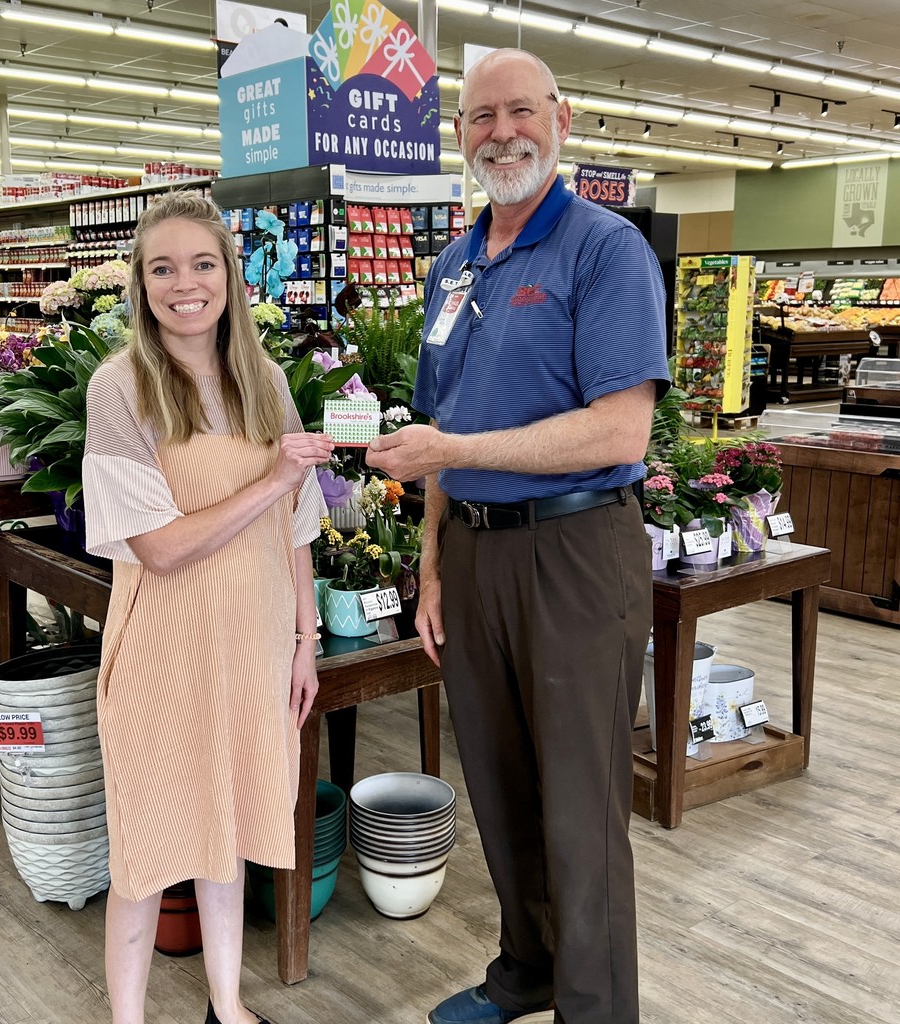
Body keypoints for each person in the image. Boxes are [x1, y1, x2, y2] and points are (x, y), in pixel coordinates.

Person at [366, 48, 670, 1024]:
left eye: (521, 111)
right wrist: (430, 566)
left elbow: (620, 428)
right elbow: (436, 442)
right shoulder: (453, 267)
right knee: (498, 784)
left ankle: (595, 1007)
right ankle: (527, 968)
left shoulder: (604, 249)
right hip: (472, 554)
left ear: (561, 119)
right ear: (460, 134)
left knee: (580, 807)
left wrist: (453, 445)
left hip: (576, 553)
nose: (503, 132)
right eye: (481, 116)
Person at [83, 190, 334, 1024]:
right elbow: (156, 547)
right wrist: (271, 481)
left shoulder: (262, 380)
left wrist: (305, 642)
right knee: (149, 848)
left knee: (228, 830)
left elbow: (297, 528)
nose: (184, 284)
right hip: (162, 654)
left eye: (202, 263)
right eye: (163, 267)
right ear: (140, 283)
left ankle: (226, 1004)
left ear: (229, 273)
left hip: (256, 648)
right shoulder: (119, 389)